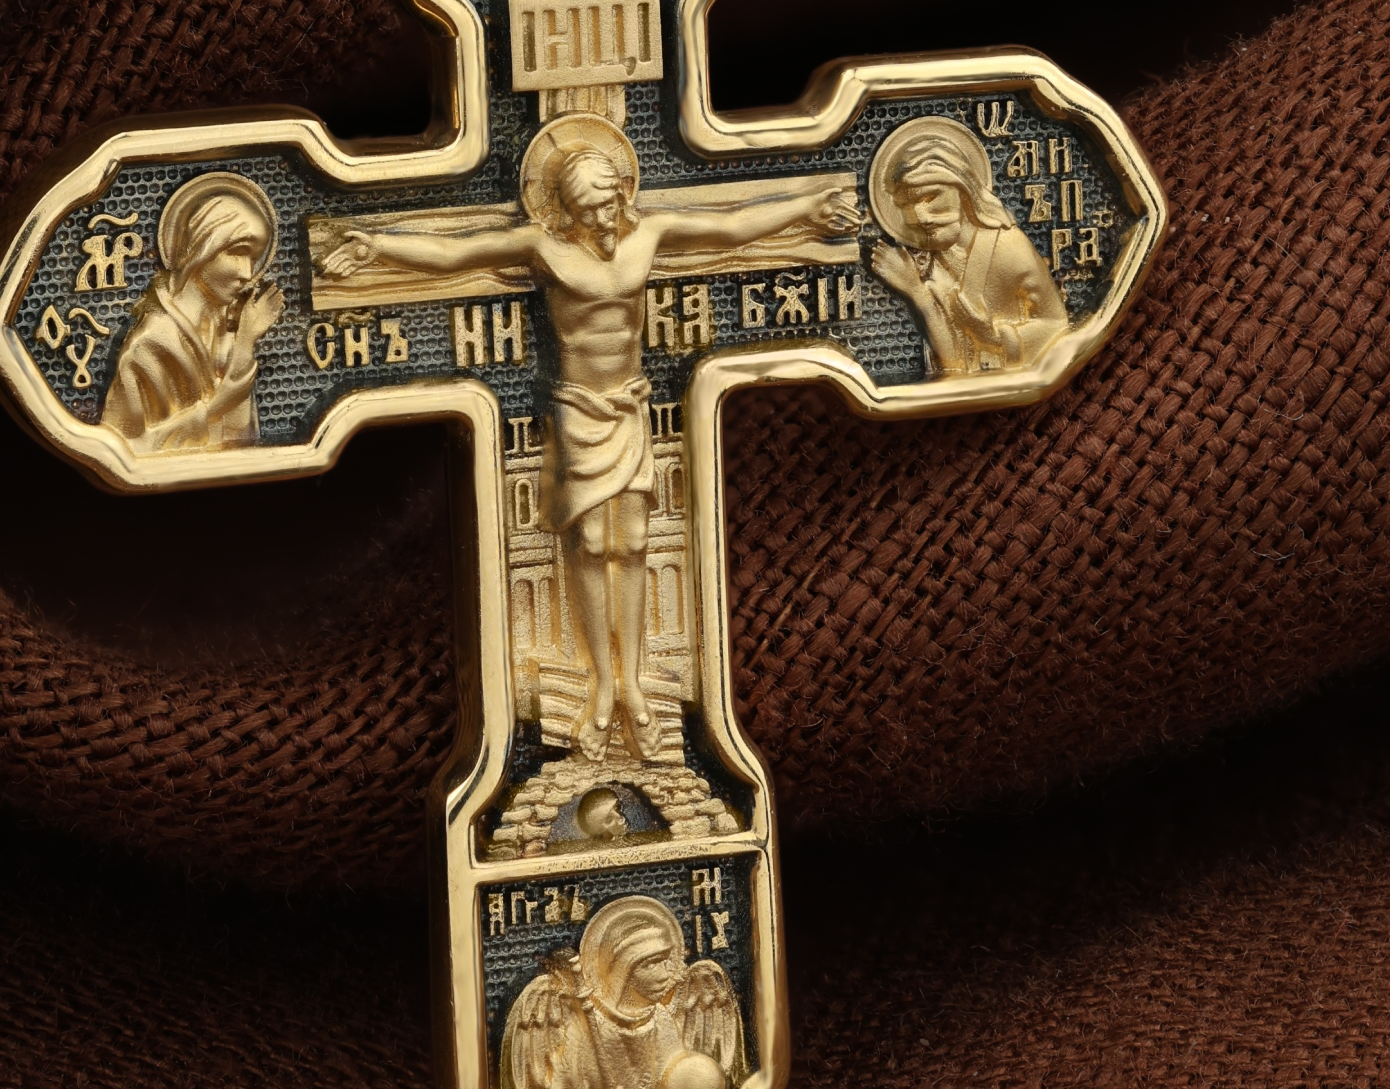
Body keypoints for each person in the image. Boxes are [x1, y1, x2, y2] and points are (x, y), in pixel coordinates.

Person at [321, 117, 856, 758]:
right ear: (567, 209)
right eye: (587, 209)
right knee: (593, 544)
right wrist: (376, 246)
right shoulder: (544, 249)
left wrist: (806, 208)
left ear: (623, 194)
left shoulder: (647, 233)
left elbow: (732, 224)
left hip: (629, 405)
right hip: (579, 411)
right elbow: (457, 253)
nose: (602, 219)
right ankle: (603, 683)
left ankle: (633, 683)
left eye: (608, 204)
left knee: (632, 543)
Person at [499, 895, 745, 1089]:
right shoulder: (582, 1038)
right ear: (624, 969)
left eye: (666, 961)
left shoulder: (663, 1021)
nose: (666, 974)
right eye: (651, 964)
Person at [869, 118, 1067, 375]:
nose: (920, 217)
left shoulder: (1009, 247)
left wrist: (992, 335)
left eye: (930, 197)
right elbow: (953, 360)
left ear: (963, 190)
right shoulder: (924, 259)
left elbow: (1056, 324)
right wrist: (916, 290)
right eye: (905, 205)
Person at [101, 174, 284, 451]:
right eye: (237, 252)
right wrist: (214, 408)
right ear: (202, 247)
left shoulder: (224, 331)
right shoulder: (152, 343)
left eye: (253, 259)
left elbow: (239, 437)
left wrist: (245, 340)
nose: (247, 273)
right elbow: (127, 449)